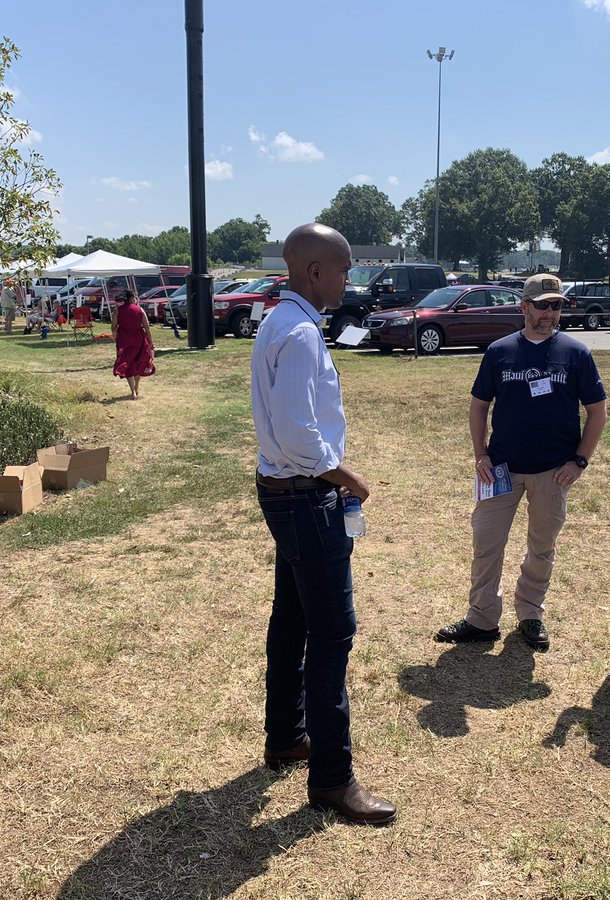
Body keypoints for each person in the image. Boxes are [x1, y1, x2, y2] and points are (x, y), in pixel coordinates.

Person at [251, 223, 395, 827]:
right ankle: (332, 779)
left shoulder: (279, 323)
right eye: (342, 270)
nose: (347, 279)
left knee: (293, 617)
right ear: (314, 272)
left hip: (286, 492)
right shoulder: (301, 333)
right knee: (332, 633)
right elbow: (298, 433)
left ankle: (287, 735)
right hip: (307, 496)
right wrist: (347, 477)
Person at [434, 273, 607, 652]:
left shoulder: (576, 353)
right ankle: (481, 619)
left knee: (541, 546)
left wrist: (579, 461)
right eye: (542, 305)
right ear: (523, 306)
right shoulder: (499, 351)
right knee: (486, 543)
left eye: (556, 305)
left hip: (552, 471)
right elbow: (479, 405)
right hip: (501, 469)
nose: (549, 313)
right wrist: (480, 453)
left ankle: (530, 614)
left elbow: (597, 412)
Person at [110, 289, 155, 400]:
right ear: (132, 298)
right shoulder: (140, 310)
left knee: (127, 363)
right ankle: (137, 386)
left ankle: (133, 391)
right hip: (139, 338)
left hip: (125, 339)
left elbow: (113, 326)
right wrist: (150, 342)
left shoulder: (117, 310)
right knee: (139, 362)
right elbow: (147, 327)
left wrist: (114, 336)